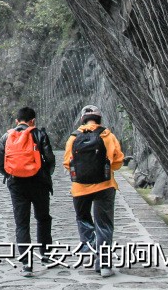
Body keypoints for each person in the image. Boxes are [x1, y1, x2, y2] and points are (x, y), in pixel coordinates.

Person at [63, 104, 125, 278]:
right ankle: (104, 264)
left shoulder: (74, 137)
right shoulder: (108, 136)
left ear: (82, 120)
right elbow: (118, 162)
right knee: (104, 224)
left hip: (80, 188)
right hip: (105, 186)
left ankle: (89, 245)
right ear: (99, 119)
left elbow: (67, 163)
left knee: (83, 218)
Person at [0, 106, 56, 277]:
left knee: (22, 223)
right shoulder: (39, 134)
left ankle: (27, 264)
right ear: (33, 121)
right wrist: (45, 173)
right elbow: (50, 159)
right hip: (39, 183)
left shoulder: (7, 136)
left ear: (17, 121)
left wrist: (11, 174)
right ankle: (46, 255)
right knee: (43, 218)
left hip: (17, 185)